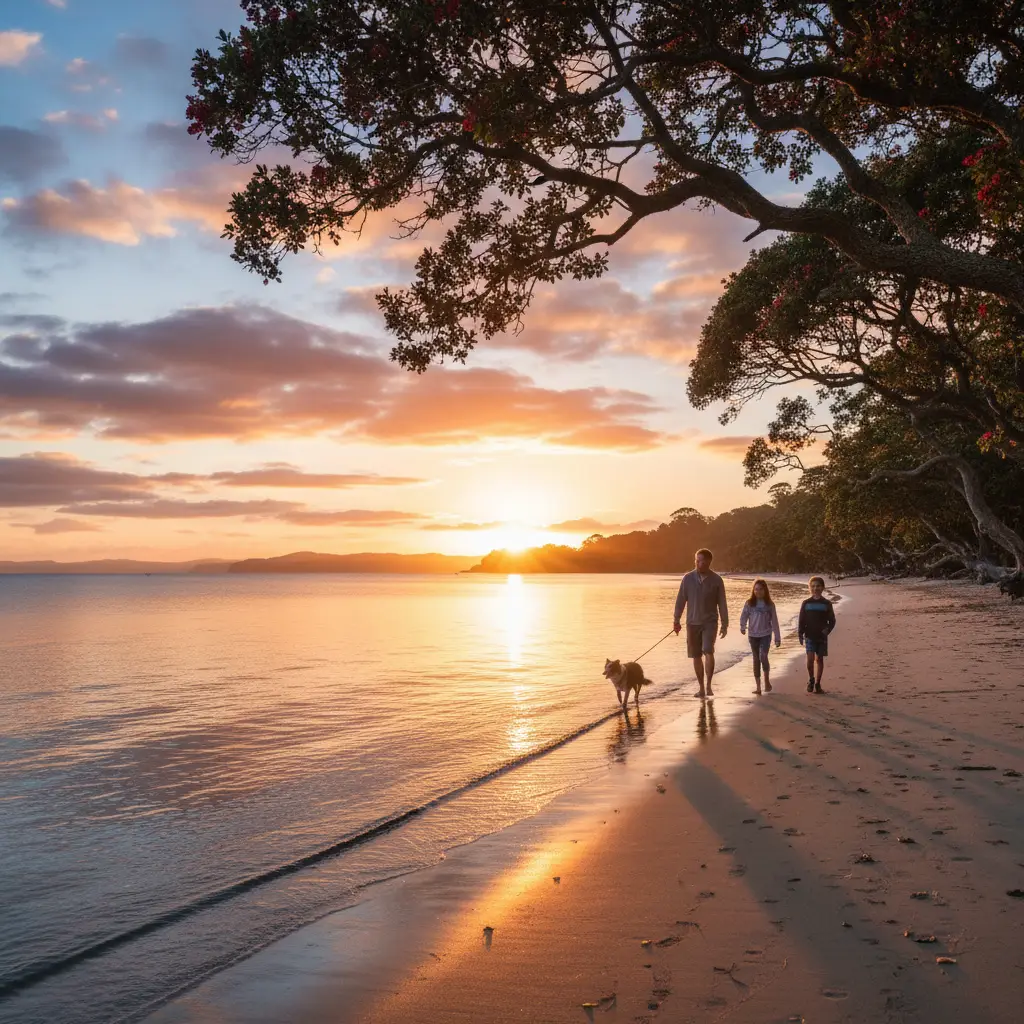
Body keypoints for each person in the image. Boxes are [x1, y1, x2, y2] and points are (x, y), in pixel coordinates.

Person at [672, 548, 728, 699]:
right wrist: (676, 620)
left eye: (702, 560)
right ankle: (701, 688)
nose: (699, 563)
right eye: (697, 560)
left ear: (709, 561)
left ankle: (709, 685)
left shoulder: (717, 580)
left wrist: (725, 623)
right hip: (692, 623)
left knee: (708, 650)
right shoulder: (688, 578)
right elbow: (680, 600)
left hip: (710, 622)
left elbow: (722, 603)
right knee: (696, 655)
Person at [739, 578, 781, 695]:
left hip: (766, 635)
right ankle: (758, 687)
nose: (758, 591)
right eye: (756, 589)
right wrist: (742, 626)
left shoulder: (770, 605)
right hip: (753, 636)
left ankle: (766, 681)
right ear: (753, 590)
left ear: (765, 590)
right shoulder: (749, 603)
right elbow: (744, 616)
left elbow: (775, 622)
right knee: (756, 659)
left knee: (763, 656)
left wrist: (777, 638)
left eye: (761, 589)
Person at [798, 576, 836, 694]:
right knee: (810, 661)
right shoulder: (806, 603)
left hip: (821, 637)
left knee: (819, 660)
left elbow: (832, 620)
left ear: (823, 587)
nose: (815, 588)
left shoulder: (827, 603)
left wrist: (828, 630)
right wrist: (800, 633)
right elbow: (801, 620)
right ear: (809, 588)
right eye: (813, 586)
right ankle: (811, 679)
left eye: (818, 586)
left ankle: (818, 684)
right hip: (809, 636)